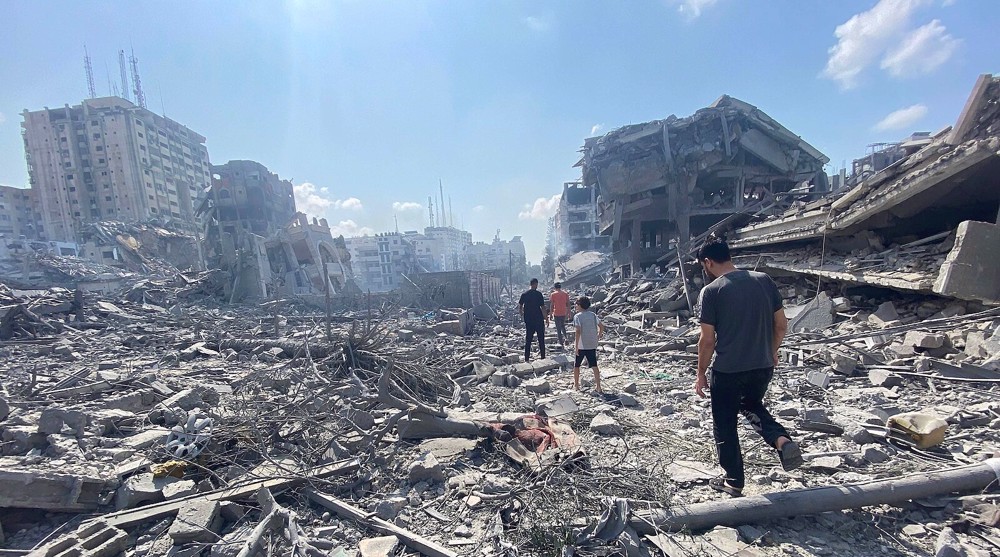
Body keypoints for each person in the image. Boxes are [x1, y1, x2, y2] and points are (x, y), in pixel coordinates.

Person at [694, 237, 802, 497]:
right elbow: (781, 325)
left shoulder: (711, 291)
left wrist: (700, 374)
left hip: (728, 370)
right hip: (762, 365)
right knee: (751, 405)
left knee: (725, 423)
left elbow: (707, 340)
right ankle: (781, 440)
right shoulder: (763, 280)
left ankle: (734, 480)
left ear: (708, 262)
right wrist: (772, 350)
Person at [572, 296, 604, 393]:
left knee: (577, 365)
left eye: (576, 305)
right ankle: (598, 386)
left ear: (580, 305)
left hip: (582, 344)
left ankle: (576, 385)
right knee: (594, 365)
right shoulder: (593, 315)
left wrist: (576, 345)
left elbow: (578, 331)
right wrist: (598, 335)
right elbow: (601, 326)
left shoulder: (577, 316)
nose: (575, 306)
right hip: (592, 343)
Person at [518, 278, 548, 362]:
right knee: (541, 338)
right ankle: (543, 357)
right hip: (538, 319)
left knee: (528, 339)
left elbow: (520, 306)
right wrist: (546, 318)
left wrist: (522, 314)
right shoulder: (539, 294)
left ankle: (526, 358)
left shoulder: (524, 294)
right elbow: (542, 307)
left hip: (529, 320)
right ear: (535, 284)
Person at [549, 282, 570, 347]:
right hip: (563, 312)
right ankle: (566, 338)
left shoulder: (553, 294)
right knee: (563, 326)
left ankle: (561, 342)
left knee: (558, 328)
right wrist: (569, 313)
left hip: (556, 313)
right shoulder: (565, 294)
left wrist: (550, 314)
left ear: (555, 287)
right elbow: (568, 304)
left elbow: (552, 305)